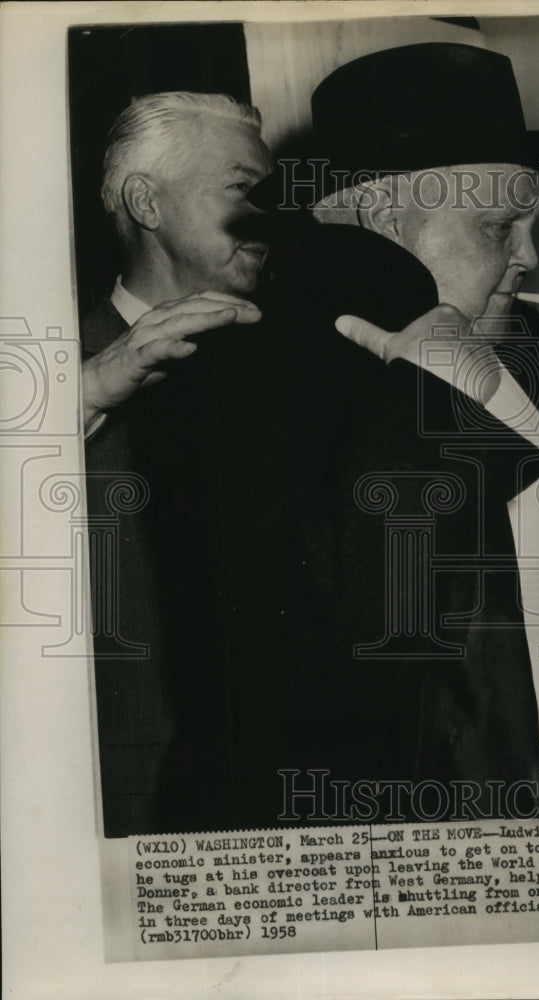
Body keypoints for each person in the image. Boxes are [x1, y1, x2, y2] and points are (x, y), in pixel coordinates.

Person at [209, 43, 539, 831]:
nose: (528, 257)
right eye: (501, 227)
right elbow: (311, 675)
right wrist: (423, 396)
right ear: (387, 231)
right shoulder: (262, 375)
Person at [80, 92, 271, 835]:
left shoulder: (293, 365)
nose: (268, 213)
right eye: (241, 187)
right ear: (145, 202)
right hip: (131, 805)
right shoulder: (52, 374)